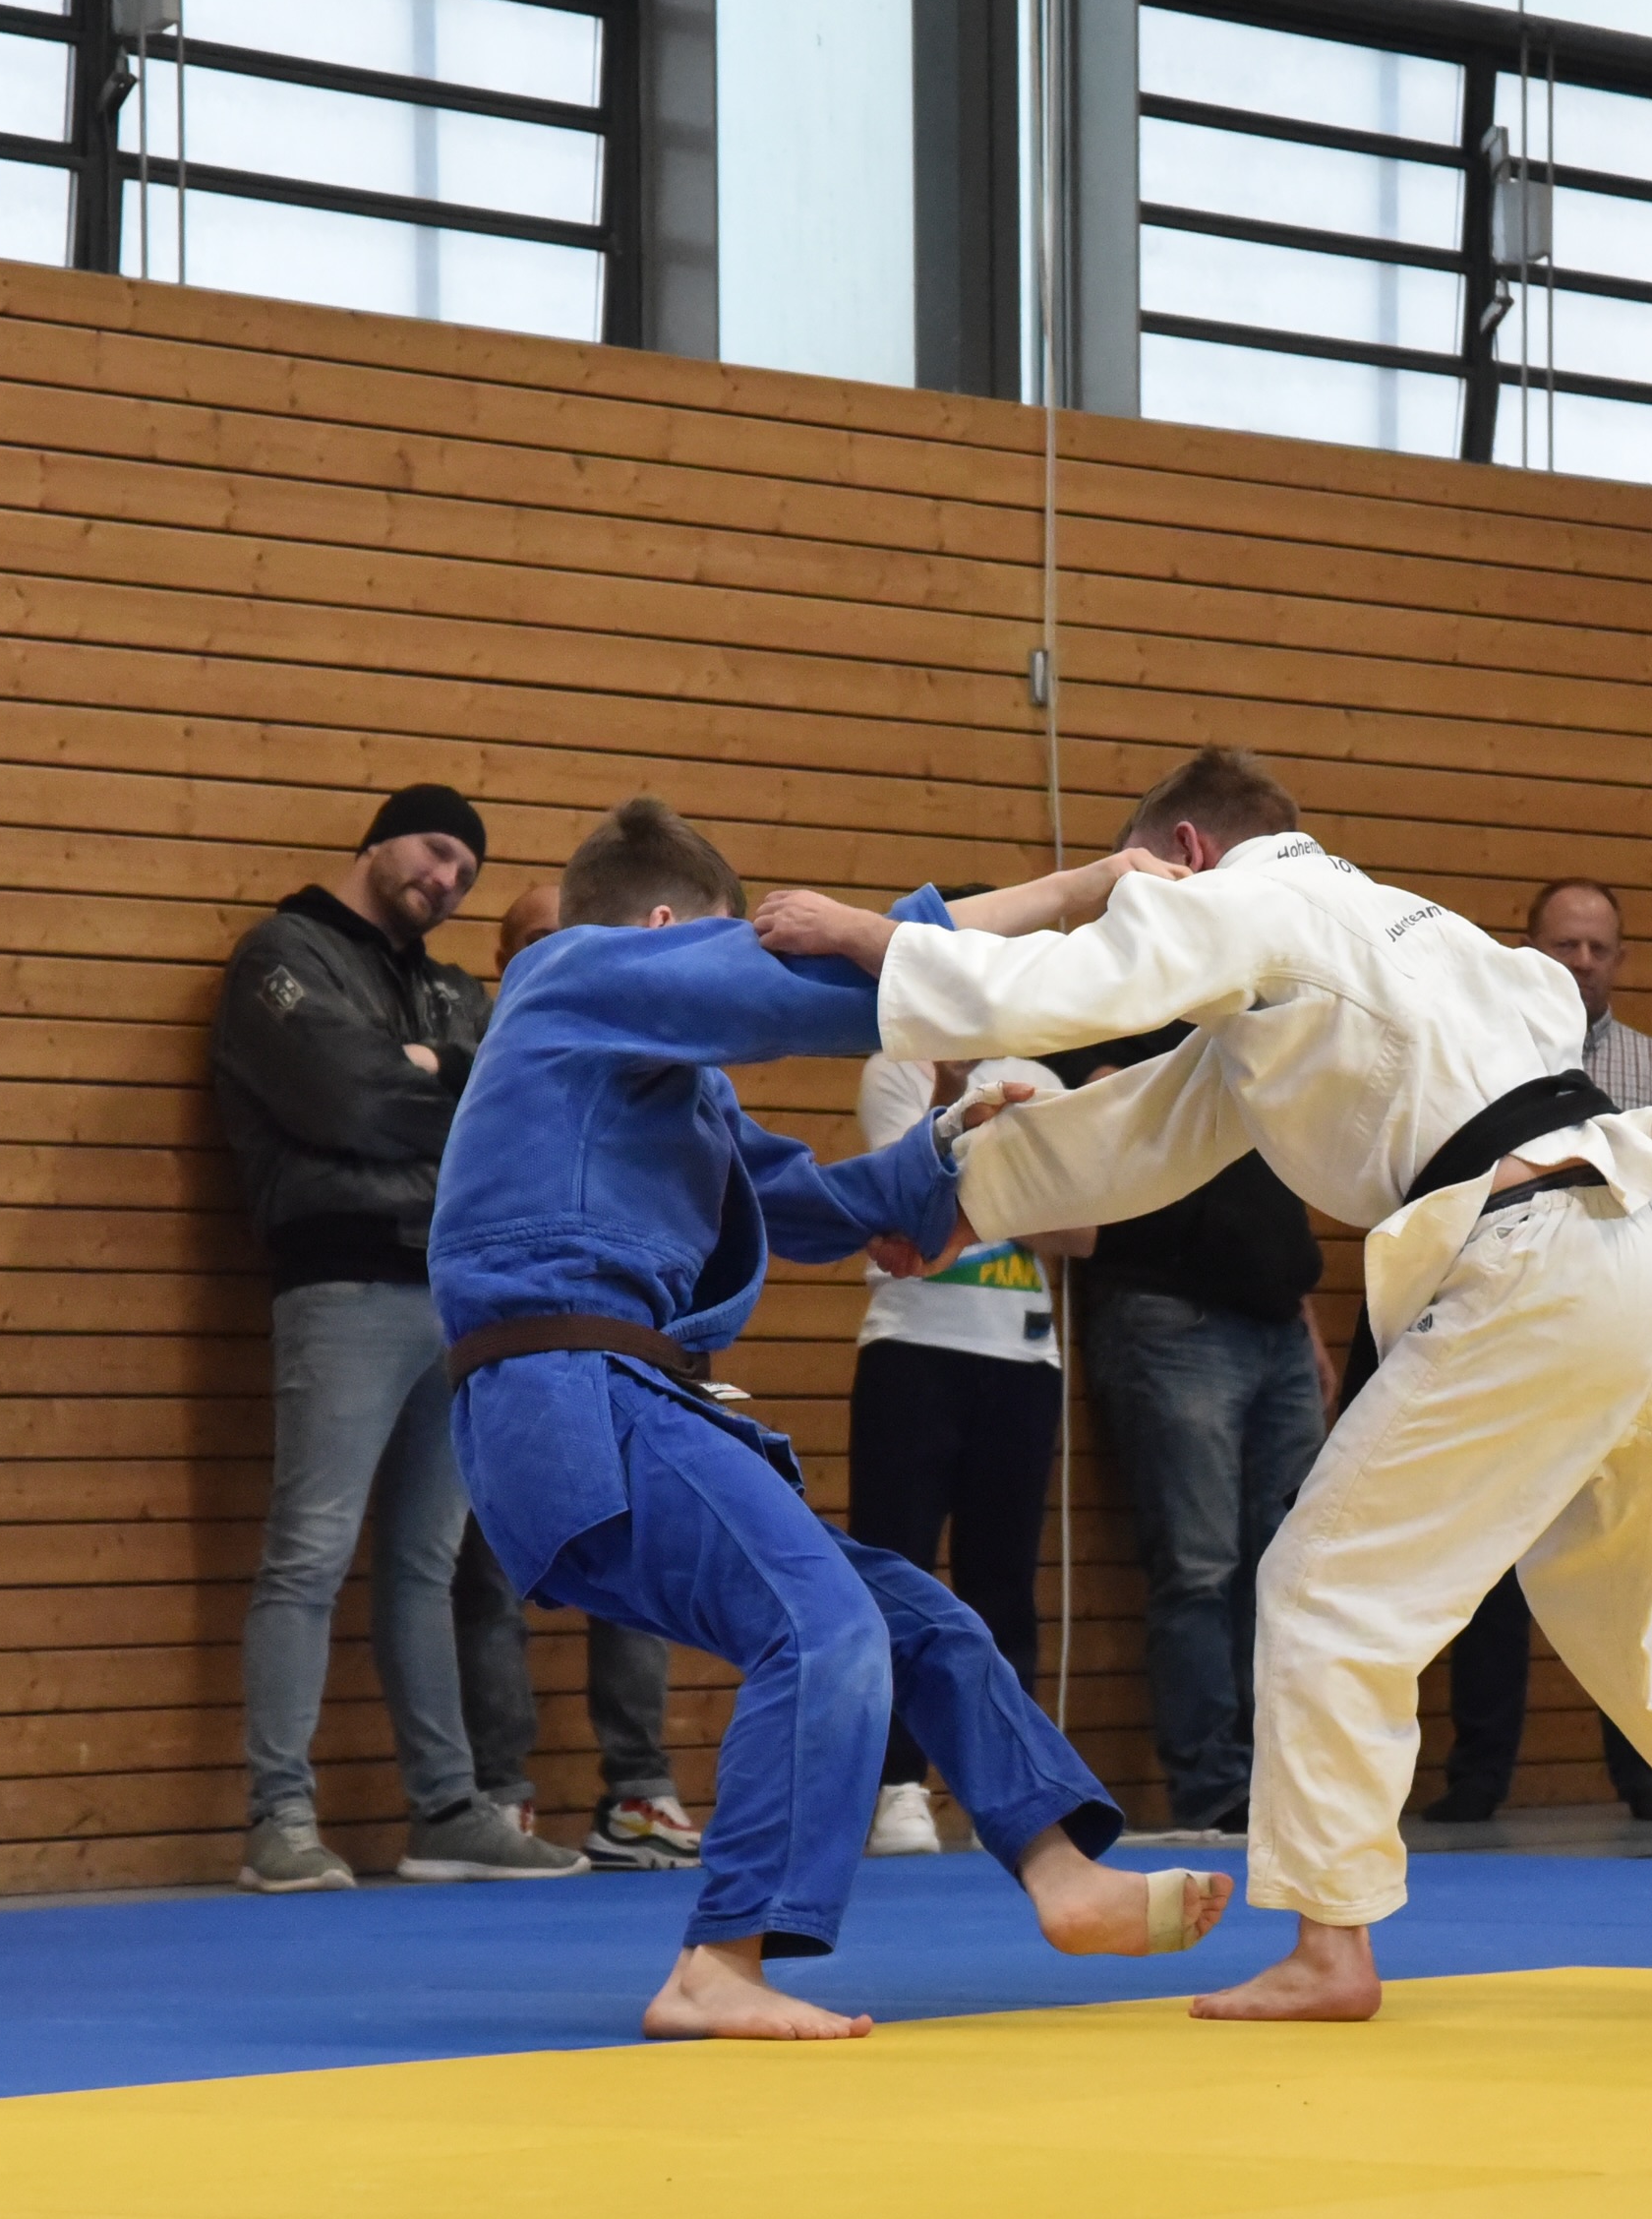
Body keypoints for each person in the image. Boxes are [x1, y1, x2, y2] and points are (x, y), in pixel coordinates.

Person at [752, 747, 1652, 2022]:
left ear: (1185, 852)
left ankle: (1331, 1945)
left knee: (1321, 1584)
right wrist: (971, 1203)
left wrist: (870, 935)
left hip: (1543, 1258)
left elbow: (1062, 988)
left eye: (1140, 880)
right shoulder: (1387, 928)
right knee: (1603, 1586)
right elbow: (1171, 1119)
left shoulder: (1251, 899)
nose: (1136, 905)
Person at [431, 797, 1225, 2041]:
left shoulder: (675, 1096)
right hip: (571, 1394)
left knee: (918, 1620)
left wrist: (952, 1150)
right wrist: (1078, 892)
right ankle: (719, 1961)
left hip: (616, 1406)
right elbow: (811, 987)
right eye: (719, 942)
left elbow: (810, 1208)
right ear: (665, 934)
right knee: (820, 1624)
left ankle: (1061, 1873)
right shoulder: (570, 977)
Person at [213, 781, 585, 1893]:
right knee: (308, 1553)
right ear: (378, 840)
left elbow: (511, 1109)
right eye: (435, 852)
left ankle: (447, 1810)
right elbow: (346, 1099)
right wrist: (425, 1080)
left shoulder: (450, 990)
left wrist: (432, 1070)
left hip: (455, 1292)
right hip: (343, 1282)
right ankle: (280, 1818)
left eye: (465, 872)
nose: (447, 879)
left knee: (427, 1564)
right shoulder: (281, 958)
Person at [1439, 878, 1652, 1826]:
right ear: (1525, 948)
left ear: (1620, 959)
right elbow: (1437, 1205)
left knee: (1633, 1571)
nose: (1580, 963)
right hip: (1508, 1356)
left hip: (1635, 1361)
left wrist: (1636, 1275)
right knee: (1488, 1573)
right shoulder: (1475, 1061)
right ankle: (1477, 1777)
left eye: (1596, 949)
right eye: (1563, 946)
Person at [450, 880, 699, 1874]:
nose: (549, 950)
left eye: (565, 934)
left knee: (635, 1561)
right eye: (529, 939)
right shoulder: (493, 1057)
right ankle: (501, 1793)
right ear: (501, 960)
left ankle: (638, 1790)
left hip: (623, 1333)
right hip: (504, 1342)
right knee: (491, 1570)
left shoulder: (631, 1051)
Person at [1039, 1023, 1329, 1837]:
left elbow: (1271, 1194)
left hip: (1273, 1316)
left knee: (1290, 1569)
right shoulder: (1110, 1021)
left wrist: (1304, 1318)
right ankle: (1217, 1787)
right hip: (1171, 1313)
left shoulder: (1245, 1029)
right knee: (1200, 1566)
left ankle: (1282, 1780)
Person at [849, 1030, 1087, 1860]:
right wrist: (982, 1141)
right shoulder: (895, 1071)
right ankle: (897, 1785)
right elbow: (901, 1209)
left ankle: (1010, 1792)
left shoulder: (1035, 1078)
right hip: (912, 1349)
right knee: (898, 1572)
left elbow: (1082, 1230)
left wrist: (968, 1171)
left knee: (1004, 1583)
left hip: (1021, 1358)